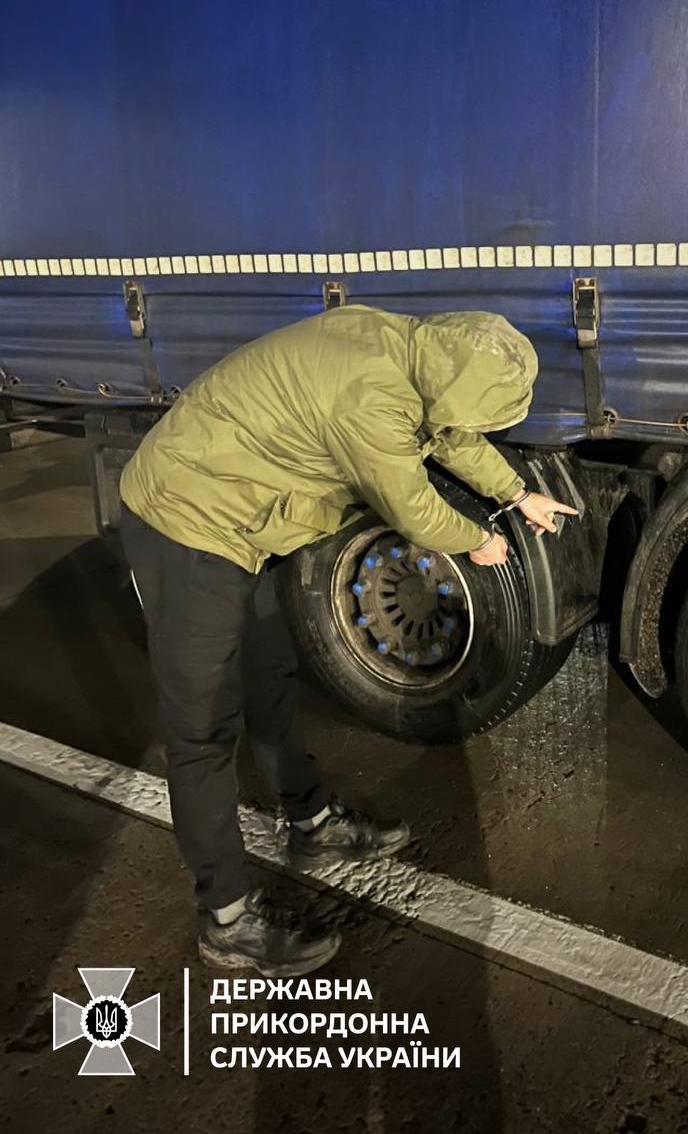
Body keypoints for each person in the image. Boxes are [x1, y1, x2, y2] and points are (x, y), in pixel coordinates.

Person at [118, 305, 577, 975]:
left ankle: (310, 823)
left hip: (246, 522)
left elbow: (446, 434)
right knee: (203, 731)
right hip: (187, 523)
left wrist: (516, 495)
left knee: (270, 678)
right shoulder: (368, 396)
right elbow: (411, 505)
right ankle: (226, 919)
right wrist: (479, 538)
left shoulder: (419, 353)